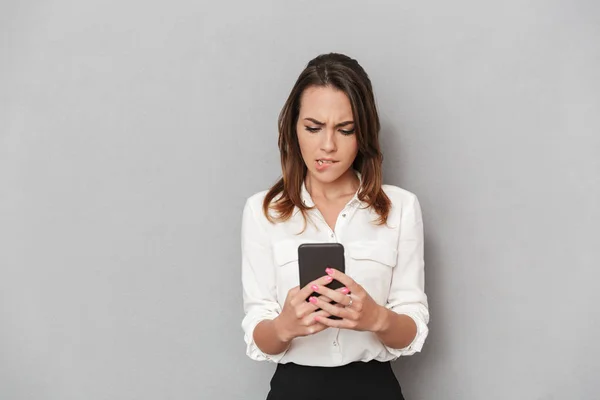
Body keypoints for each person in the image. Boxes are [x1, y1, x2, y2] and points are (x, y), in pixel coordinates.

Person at [240, 53, 429, 400]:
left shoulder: (401, 208)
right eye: (313, 128)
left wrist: (376, 318)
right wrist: (285, 326)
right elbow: (258, 331)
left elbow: (412, 324)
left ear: (363, 134)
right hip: (293, 389)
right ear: (293, 128)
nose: (327, 145)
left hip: (375, 389)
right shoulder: (262, 211)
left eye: (345, 130)